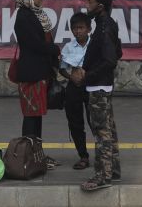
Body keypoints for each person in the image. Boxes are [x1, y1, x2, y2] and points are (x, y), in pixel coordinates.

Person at [73, 0, 122, 191]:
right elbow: (118, 51)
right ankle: (114, 170)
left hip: (99, 86)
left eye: (89, 2)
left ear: (100, 7)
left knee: (101, 133)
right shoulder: (106, 24)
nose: (86, 5)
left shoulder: (104, 28)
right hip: (101, 84)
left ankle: (102, 175)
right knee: (109, 129)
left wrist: (86, 75)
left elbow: (111, 59)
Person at [13, 0, 61, 170]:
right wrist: (54, 49)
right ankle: (28, 155)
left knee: (37, 115)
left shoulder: (35, 14)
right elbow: (35, 45)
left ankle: (37, 154)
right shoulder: (24, 17)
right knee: (31, 116)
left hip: (40, 72)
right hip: (31, 74)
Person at [59, 12, 92, 170]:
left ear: (89, 29)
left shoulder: (94, 45)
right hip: (74, 87)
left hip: (92, 85)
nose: (78, 31)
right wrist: (71, 77)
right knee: (75, 123)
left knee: (96, 122)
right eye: (75, 28)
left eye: (81, 28)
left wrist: (87, 75)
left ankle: (104, 155)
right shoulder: (68, 47)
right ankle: (83, 155)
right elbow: (62, 69)